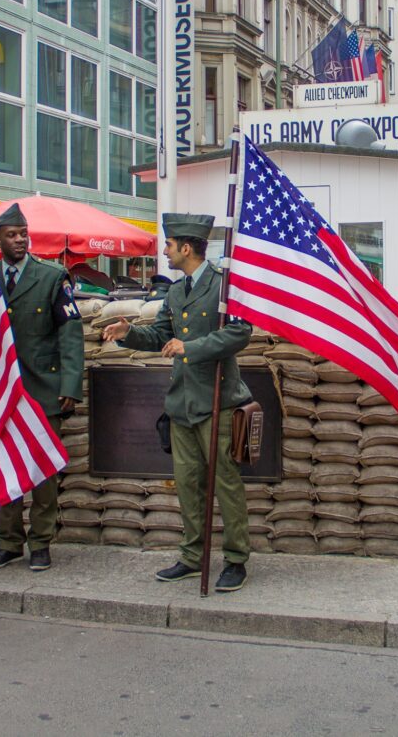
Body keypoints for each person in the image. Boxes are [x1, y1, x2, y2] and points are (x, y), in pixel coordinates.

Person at [102, 213, 252, 593]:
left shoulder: (224, 285)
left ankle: (236, 560)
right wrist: (128, 332)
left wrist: (192, 348)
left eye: (169, 245)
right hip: (181, 405)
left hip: (217, 402)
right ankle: (192, 556)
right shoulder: (175, 291)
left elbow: (240, 332)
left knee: (226, 484)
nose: (165, 252)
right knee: (187, 485)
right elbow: (160, 336)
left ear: (186, 247)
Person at [0, 203, 85, 573]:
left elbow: (70, 333)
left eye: (24, 234)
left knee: (43, 473)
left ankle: (40, 543)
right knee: (5, 468)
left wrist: (70, 384)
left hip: (43, 389)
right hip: (1, 392)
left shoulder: (52, 277)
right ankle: (8, 541)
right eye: (12, 235)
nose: (20, 240)